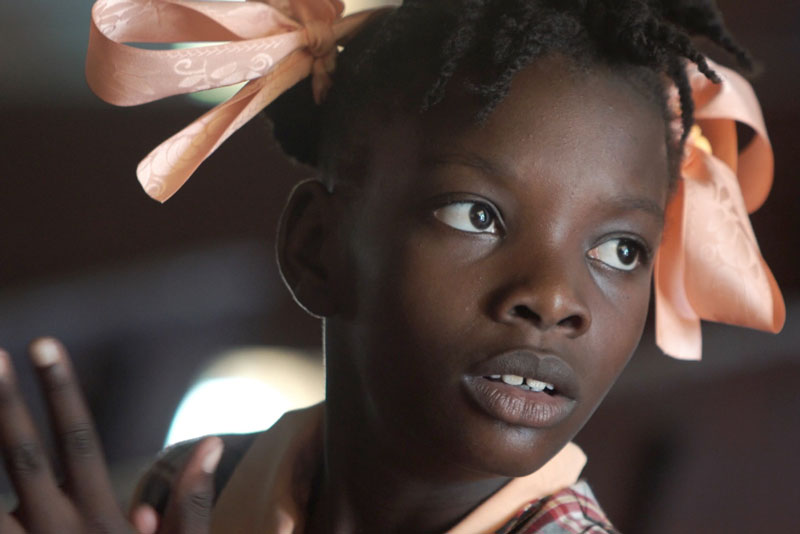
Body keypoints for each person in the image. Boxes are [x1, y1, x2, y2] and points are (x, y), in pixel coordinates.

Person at [0, 0, 785, 533]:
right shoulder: (199, 490)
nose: (552, 298)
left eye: (620, 250)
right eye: (476, 215)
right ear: (317, 248)